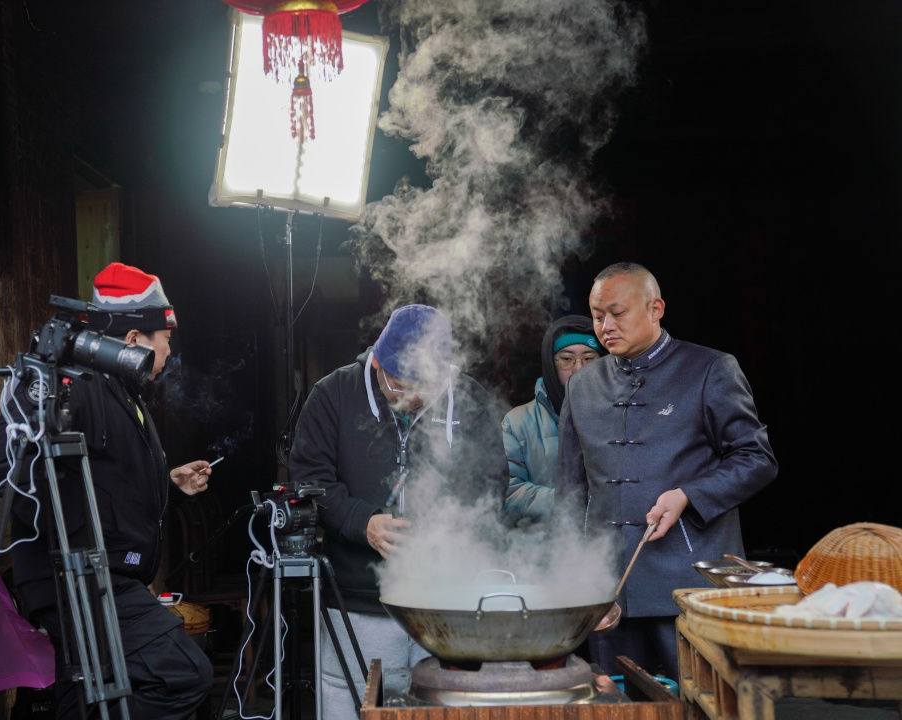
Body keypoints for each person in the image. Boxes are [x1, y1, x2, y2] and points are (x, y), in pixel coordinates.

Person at [0, 262, 213, 719]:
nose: (168, 355)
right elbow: (5, 468)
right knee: (184, 674)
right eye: (164, 343)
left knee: (84, 693)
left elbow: (95, 475)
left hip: (108, 575)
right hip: (79, 577)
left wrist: (166, 481)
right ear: (132, 341)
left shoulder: (122, 391)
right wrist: (84, 542)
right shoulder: (71, 384)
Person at [557, 262, 777, 681]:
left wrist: (689, 495)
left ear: (656, 308)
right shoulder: (582, 385)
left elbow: (757, 458)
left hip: (688, 588)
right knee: (615, 706)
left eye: (617, 313)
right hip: (608, 594)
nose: (605, 326)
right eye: (597, 315)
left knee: (698, 702)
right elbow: (569, 492)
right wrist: (576, 581)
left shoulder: (710, 369)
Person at [289, 304, 507, 719]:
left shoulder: (470, 398)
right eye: (404, 385)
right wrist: (362, 523)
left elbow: (492, 482)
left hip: (446, 602)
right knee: (352, 702)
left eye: (428, 386)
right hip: (358, 599)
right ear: (378, 364)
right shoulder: (332, 395)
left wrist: (452, 531)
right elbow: (309, 481)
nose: (415, 399)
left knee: (441, 706)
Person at [502, 315, 602, 525]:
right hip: (539, 550)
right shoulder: (517, 422)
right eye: (566, 359)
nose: (578, 369)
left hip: (606, 549)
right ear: (550, 364)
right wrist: (568, 503)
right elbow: (508, 490)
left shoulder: (620, 416)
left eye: (589, 358)